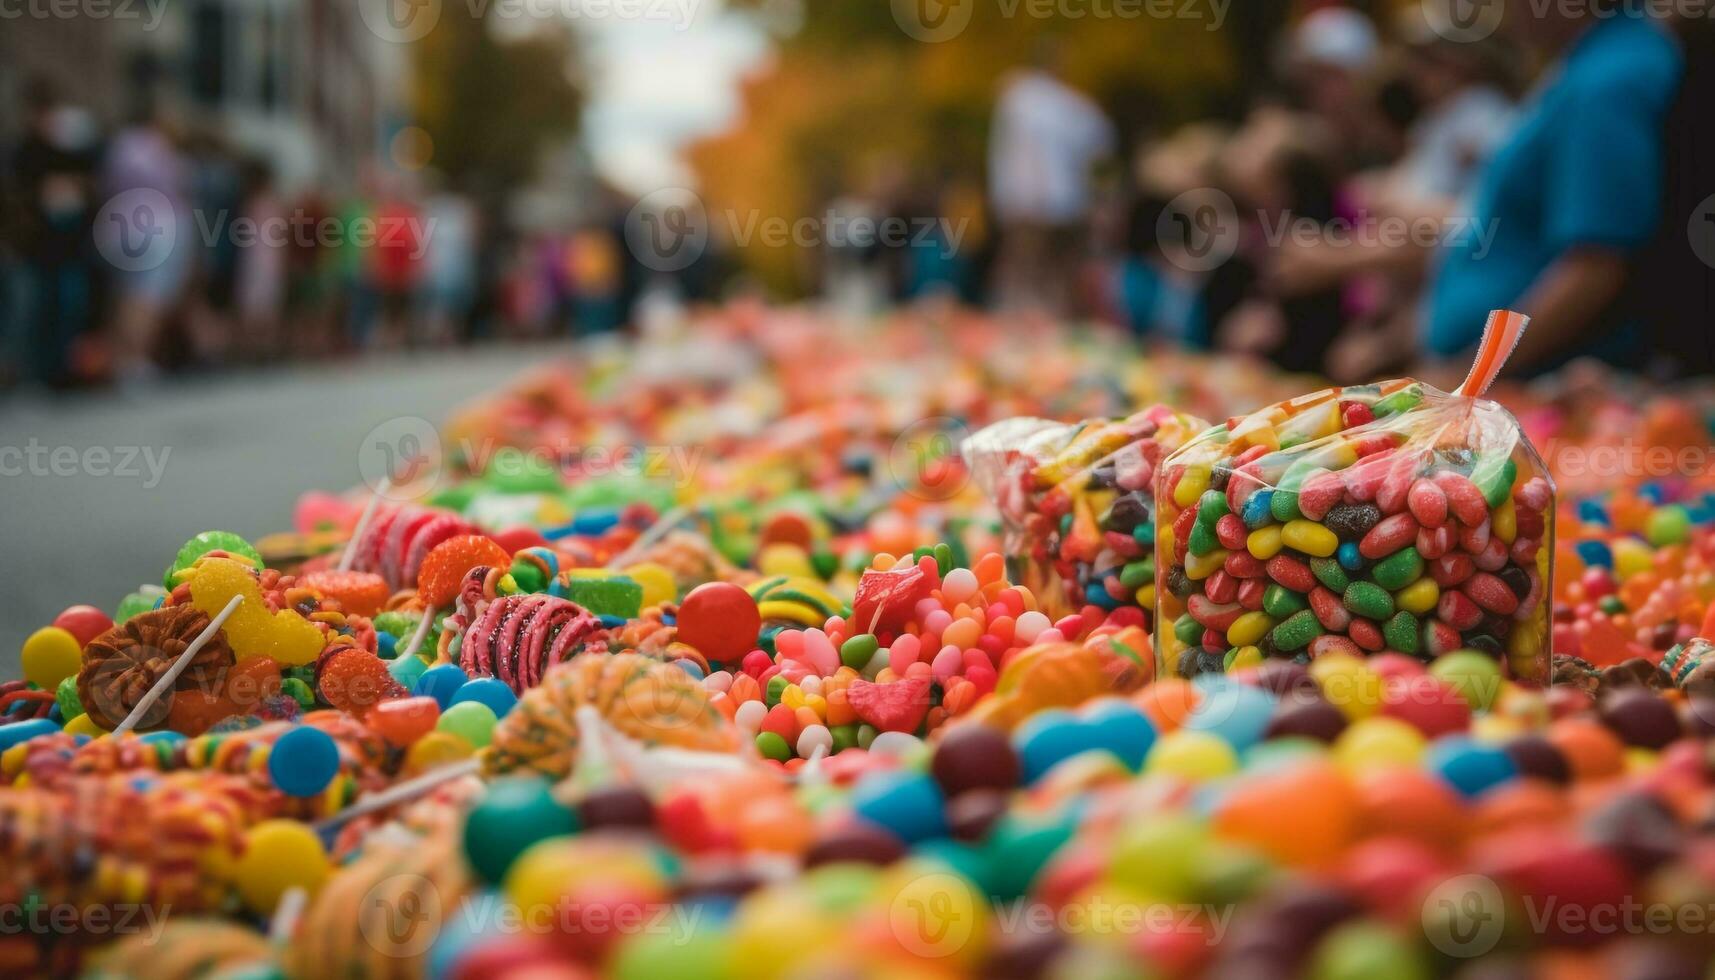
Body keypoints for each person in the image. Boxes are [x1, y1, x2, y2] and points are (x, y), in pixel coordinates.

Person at [1419, 2, 1683, 374]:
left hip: (1557, 385)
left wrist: (1468, 376)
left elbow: (1596, 263)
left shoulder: (1608, 80)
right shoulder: (1592, 65)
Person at [987, 41, 1114, 316]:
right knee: (1048, 278)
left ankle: (1034, 335)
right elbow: (1101, 141)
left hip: (1035, 205)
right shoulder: (1063, 102)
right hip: (1053, 204)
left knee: (1035, 278)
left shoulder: (1022, 97)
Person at [7, 78, 101, 387]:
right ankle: (31, 374)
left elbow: (91, 188)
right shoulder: (22, 153)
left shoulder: (72, 149)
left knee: (68, 307)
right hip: (33, 246)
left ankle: (60, 373)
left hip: (68, 246)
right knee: (31, 311)